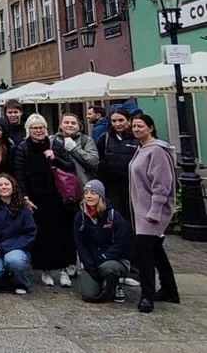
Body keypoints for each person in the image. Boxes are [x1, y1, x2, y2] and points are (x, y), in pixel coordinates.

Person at [14, 113, 77, 288]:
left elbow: (70, 167)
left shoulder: (55, 144)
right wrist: (25, 197)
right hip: (36, 198)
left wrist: (54, 158)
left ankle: (64, 271)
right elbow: (19, 174)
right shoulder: (23, 148)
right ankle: (46, 271)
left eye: (41, 127)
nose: (38, 130)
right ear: (29, 130)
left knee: (62, 234)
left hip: (58, 195)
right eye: (34, 127)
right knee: (42, 235)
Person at [128, 113, 179, 313]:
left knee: (144, 253)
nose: (136, 129)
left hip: (151, 212)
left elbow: (162, 184)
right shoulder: (142, 149)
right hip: (141, 210)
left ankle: (147, 296)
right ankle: (169, 289)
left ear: (150, 127)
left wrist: (155, 211)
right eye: (134, 126)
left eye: (140, 126)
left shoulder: (157, 150)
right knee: (156, 250)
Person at [73, 180, 130, 304]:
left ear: (101, 196)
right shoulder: (80, 217)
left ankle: (116, 284)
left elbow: (123, 242)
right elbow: (80, 245)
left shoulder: (113, 216)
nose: (89, 196)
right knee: (88, 295)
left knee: (108, 268)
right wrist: (89, 265)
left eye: (93, 193)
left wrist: (105, 256)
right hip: (92, 261)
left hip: (113, 259)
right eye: (86, 193)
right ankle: (102, 282)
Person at [0, 173, 37, 294]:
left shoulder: (23, 208)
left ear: (13, 186)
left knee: (13, 261)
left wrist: (4, 248)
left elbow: (30, 233)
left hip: (16, 248)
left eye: (6, 184)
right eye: (0, 185)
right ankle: (8, 281)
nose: (4, 187)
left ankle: (21, 283)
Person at [96, 108, 139, 223]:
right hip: (111, 187)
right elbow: (99, 162)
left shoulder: (137, 139)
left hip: (133, 186)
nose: (117, 124)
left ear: (129, 121)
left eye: (121, 120)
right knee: (116, 217)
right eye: (114, 121)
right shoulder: (104, 139)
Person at [57, 112, 100, 186]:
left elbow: (93, 162)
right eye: (66, 122)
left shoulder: (86, 140)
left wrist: (74, 149)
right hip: (60, 187)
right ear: (60, 125)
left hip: (82, 186)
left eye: (73, 123)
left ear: (79, 126)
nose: (70, 125)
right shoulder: (53, 140)